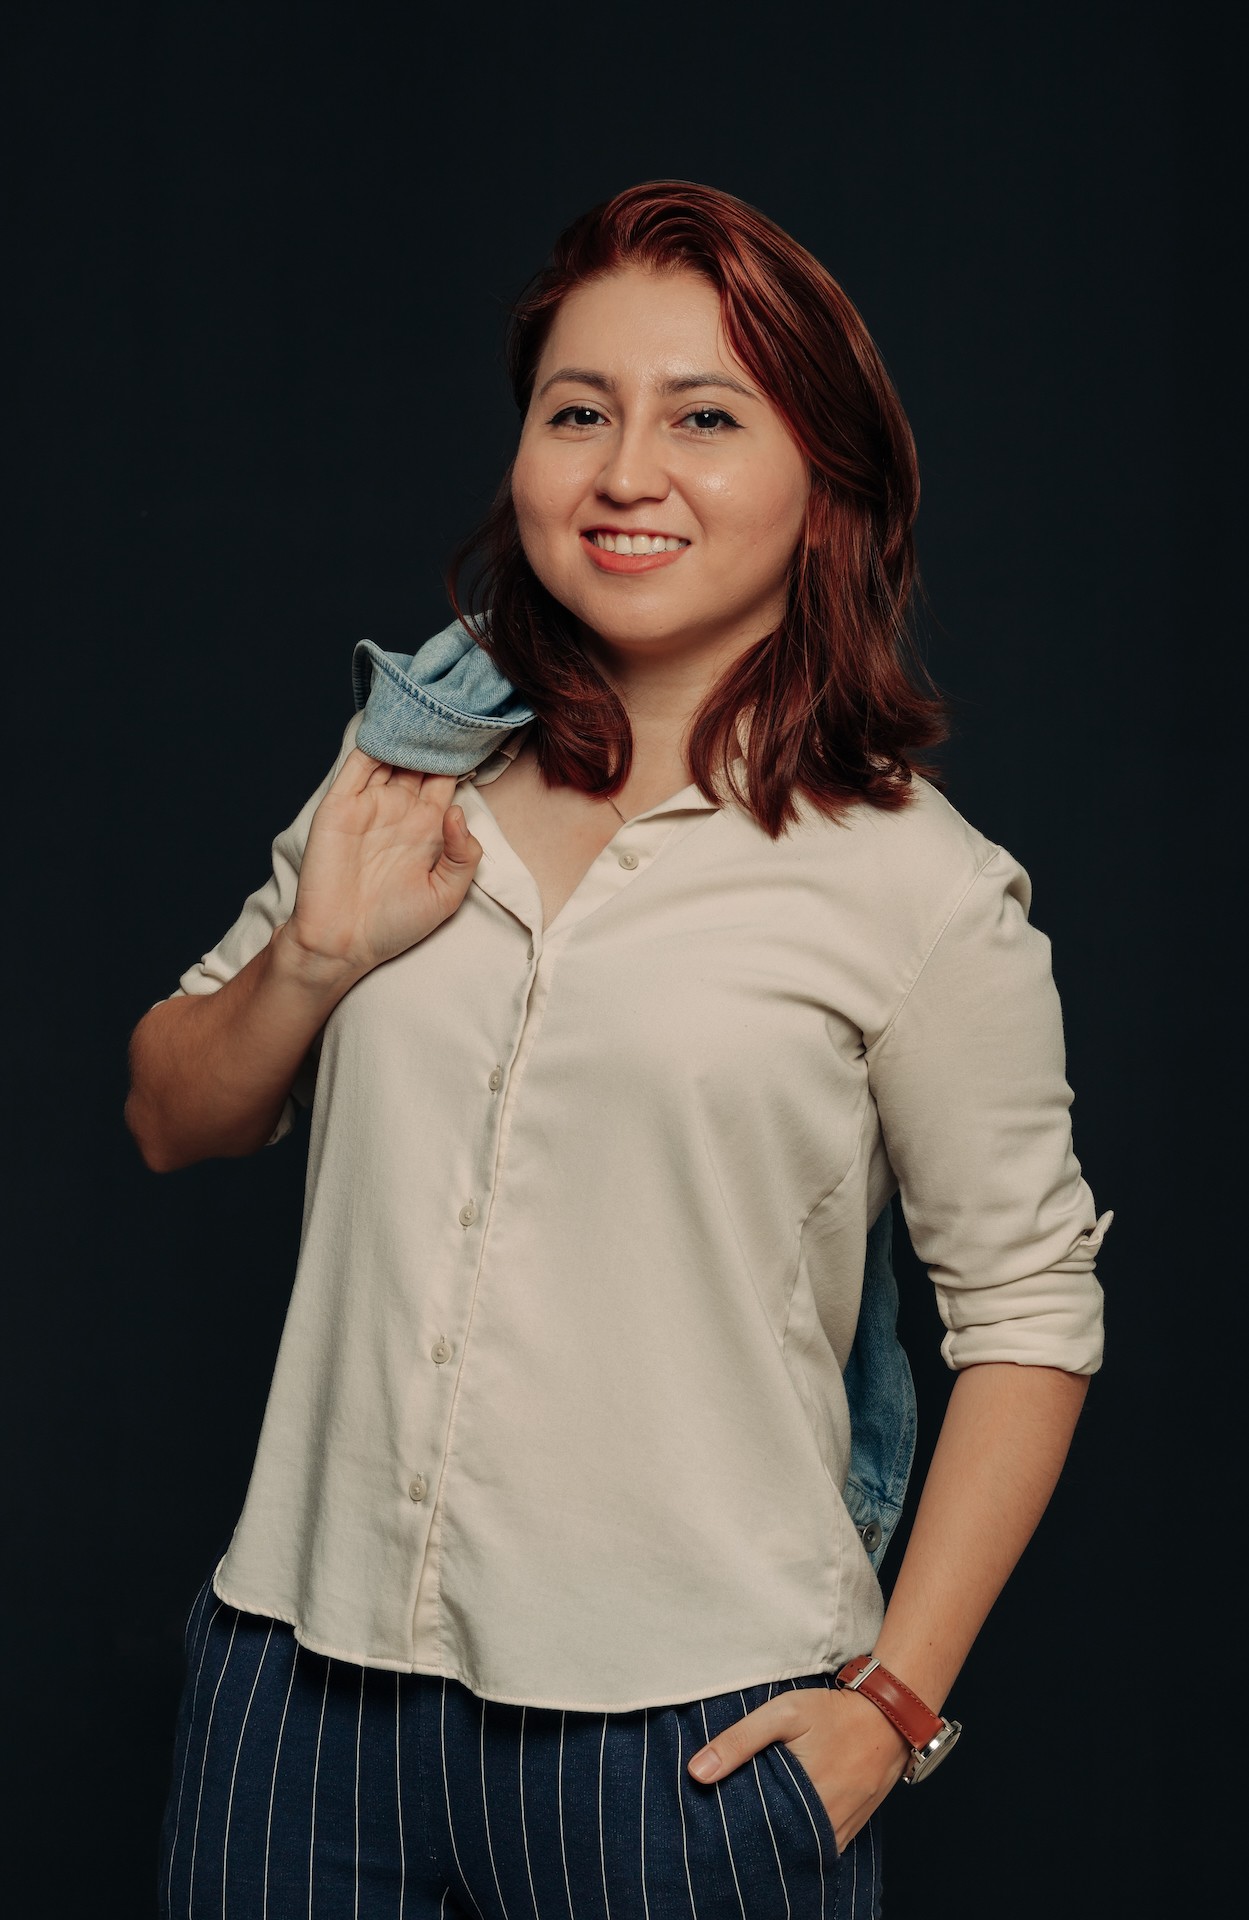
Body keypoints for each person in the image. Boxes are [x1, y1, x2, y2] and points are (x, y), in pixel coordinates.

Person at [126, 180, 1113, 1920]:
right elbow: (168, 1114)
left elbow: (1030, 1312)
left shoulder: (918, 886)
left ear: (826, 484)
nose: (624, 471)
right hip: (299, 1691)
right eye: (577, 412)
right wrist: (317, 956)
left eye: (704, 418)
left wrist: (889, 1709)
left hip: (686, 1750)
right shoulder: (403, 775)